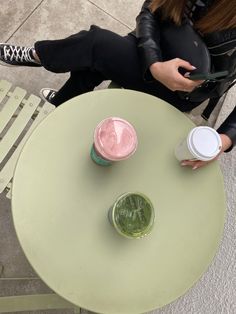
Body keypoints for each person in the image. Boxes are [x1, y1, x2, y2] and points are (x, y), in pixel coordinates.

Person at [0, 0, 235, 170]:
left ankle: (40, 59)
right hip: (151, 51)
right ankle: (62, 106)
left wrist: (223, 141)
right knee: (94, 59)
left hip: (180, 88)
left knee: (96, 45)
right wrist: (153, 63)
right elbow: (149, 11)